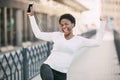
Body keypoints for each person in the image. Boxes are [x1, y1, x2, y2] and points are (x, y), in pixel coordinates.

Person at [28, 7, 106, 80]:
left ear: (73, 25)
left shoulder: (79, 40)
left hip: (62, 73)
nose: (64, 27)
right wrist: (31, 17)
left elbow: (98, 43)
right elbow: (38, 34)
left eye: (66, 24)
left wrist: (102, 23)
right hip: (48, 67)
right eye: (62, 25)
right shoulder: (57, 35)